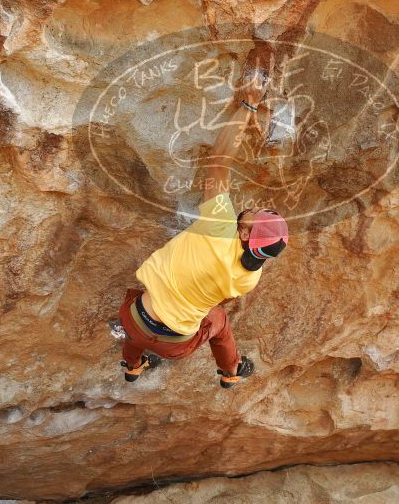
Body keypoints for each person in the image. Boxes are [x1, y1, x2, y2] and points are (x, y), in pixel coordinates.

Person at [110, 52, 289, 388]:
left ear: (246, 231)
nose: (252, 207)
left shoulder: (221, 227)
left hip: (133, 319)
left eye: (257, 213)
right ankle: (230, 371)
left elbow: (219, 162)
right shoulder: (249, 277)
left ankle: (132, 365)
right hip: (177, 345)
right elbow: (217, 297)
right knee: (218, 321)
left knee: (142, 325)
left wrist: (248, 105)